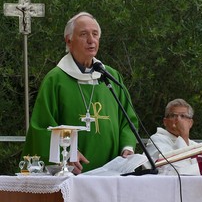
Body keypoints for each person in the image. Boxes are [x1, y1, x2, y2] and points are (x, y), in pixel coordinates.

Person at [22, 11, 139, 174]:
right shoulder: (56, 79)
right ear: (69, 40)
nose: (91, 40)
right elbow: (41, 127)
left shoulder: (110, 76)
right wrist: (67, 153)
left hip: (112, 173)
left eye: (95, 34)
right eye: (84, 34)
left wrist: (127, 147)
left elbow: (128, 119)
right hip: (73, 172)